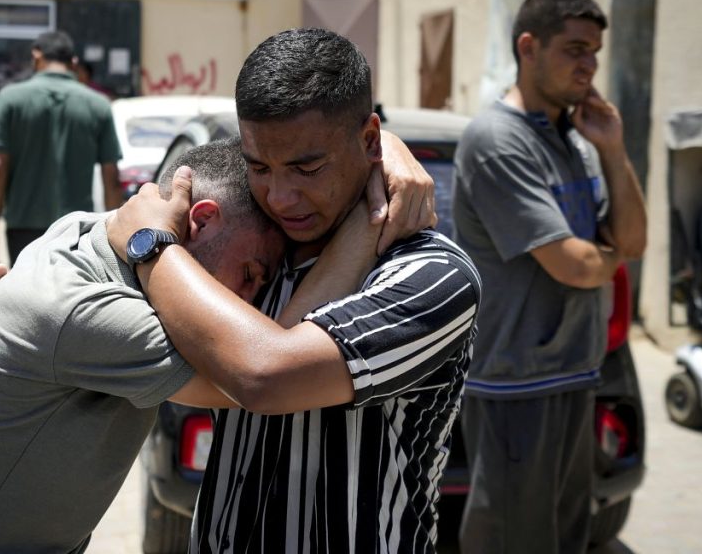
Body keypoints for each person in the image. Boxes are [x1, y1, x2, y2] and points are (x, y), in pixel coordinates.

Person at [104, 27, 481, 553]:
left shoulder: (432, 277)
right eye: (259, 168)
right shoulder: (248, 251)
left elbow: (265, 378)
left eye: (308, 168)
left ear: (368, 139)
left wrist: (152, 247)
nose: (281, 196)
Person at [0, 138, 320, 553]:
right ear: (201, 220)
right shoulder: (94, 314)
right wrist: (370, 222)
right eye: (250, 272)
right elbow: (267, 375)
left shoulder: (80, 230)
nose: (248, 300)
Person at [452, 0, 647, 554]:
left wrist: (612, 149)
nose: (588, 65)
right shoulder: (497, 139)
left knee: (564, 539)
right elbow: (576, 266)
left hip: (575, 373)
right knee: (514, 541)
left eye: (595, 53)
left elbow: (630, 241)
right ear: (529, 47)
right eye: (575, 50)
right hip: (517, 385)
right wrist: (600, 259)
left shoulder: (577, 139)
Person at [0, 30, 122, 267]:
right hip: (77, 229)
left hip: (23, 228)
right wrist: (114, 239)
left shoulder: (10, 98)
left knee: (27, 297)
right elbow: (112, 178)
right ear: (74, 63)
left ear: (36, 57)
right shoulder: (99, 105)